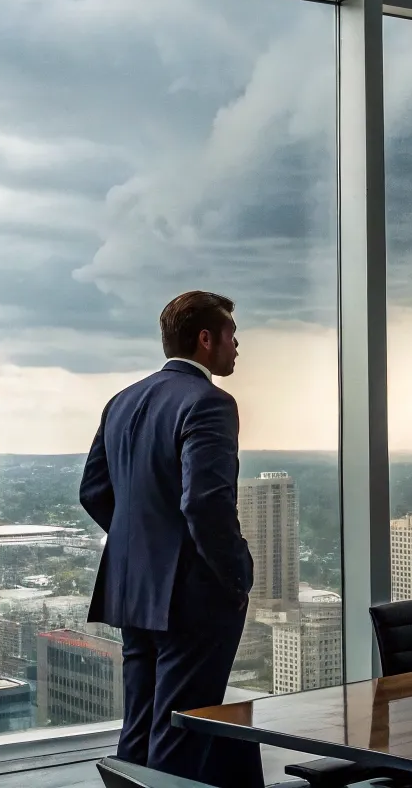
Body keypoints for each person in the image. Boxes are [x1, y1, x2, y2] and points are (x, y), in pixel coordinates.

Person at [80, 291, 260, 788]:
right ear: (206, 340)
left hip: (134, 589)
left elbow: (93, 490)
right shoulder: (210, 403)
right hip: (193, 596)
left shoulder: (122, 400)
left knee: (138, 726)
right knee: (181, 729)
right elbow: (205, 504)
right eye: (231, 335)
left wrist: (145, 547)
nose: (237, 346)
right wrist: (238, 574)